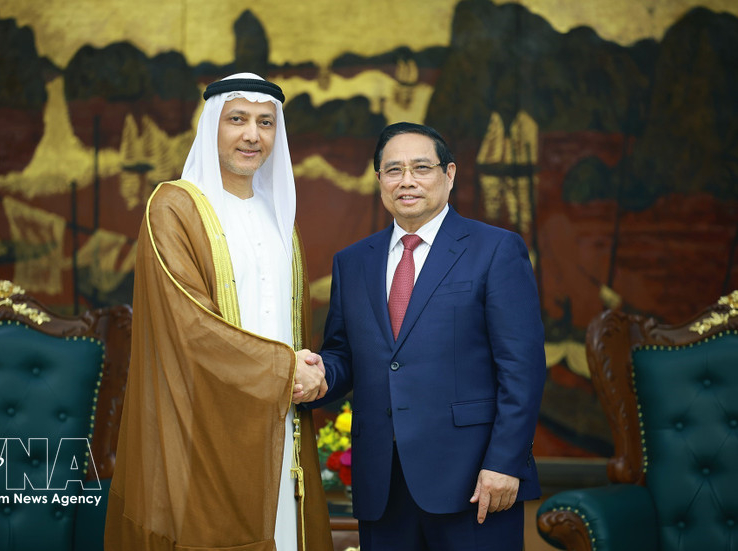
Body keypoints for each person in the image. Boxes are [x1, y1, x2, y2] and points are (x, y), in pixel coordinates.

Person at [105, 73, 332, 551]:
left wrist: (306, 370)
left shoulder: (278, 216)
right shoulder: (174, 207)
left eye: (265, 122)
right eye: (238, 119)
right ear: (212, 126)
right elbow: (188, 324)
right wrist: (285, 368)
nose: (252, 135)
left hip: (280, 418)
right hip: (203, 422)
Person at [308, 122, 546, 550]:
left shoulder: (496, 249)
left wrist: (505, 463)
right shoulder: (353, 262)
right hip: (382, 483)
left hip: (474, 481)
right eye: (393, 170)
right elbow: (344, 354)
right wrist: (313, 374)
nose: (407, 181)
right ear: (379, 179)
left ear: (449, 174)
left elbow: (522, 369)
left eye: (421, 167)